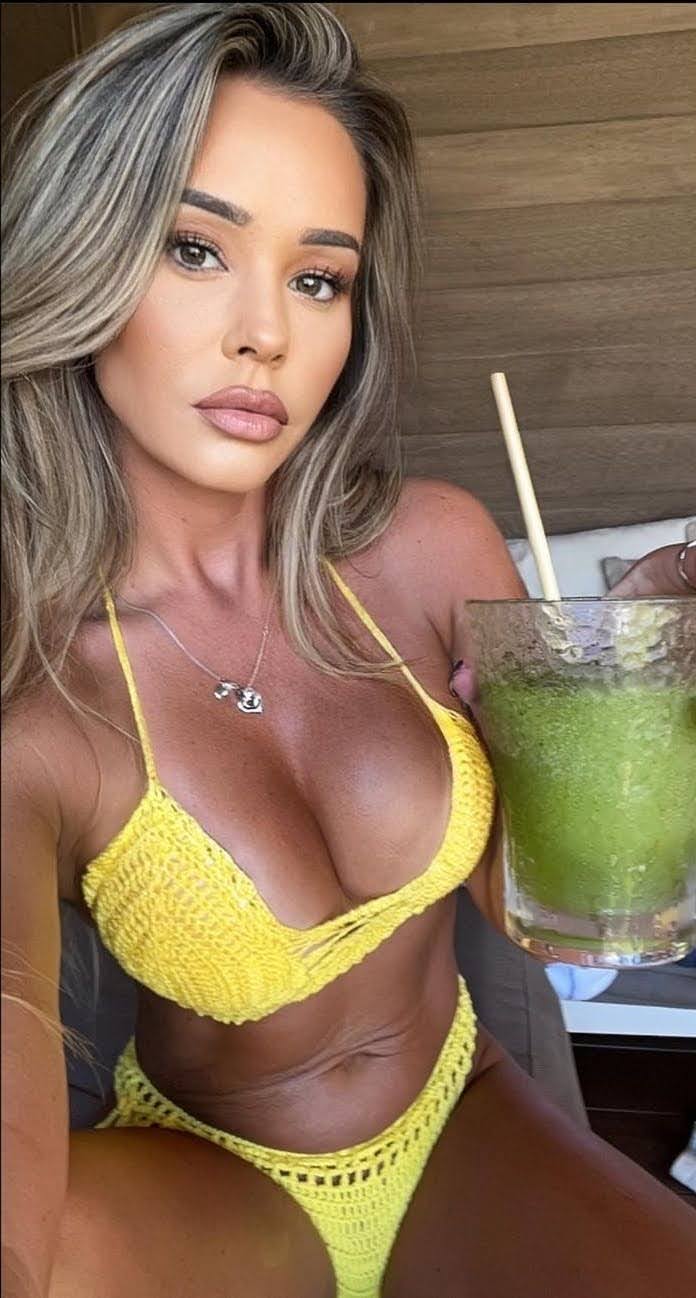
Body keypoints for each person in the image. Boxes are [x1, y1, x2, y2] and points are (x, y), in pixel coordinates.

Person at [2, 6, 694, 1298]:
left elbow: (539, 907)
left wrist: (633, 680)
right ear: (82, 262)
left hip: (464, 1115)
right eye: (195, 249)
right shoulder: (37, 700)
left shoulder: (432, 549)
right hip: (208, 1187)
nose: (265, 333)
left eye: (317, 277)